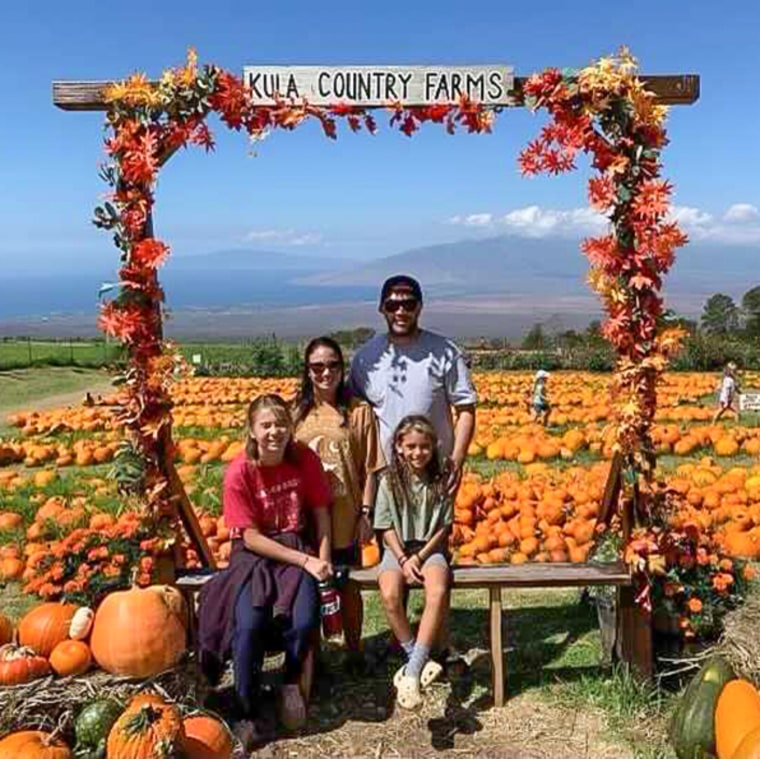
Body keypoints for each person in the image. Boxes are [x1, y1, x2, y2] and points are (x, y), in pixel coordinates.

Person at [197, 394, 333, 747]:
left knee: (304, 620)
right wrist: (306, 561)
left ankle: (289, 681)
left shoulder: (304, 458)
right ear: (253, 431)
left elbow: (321, 513)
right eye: (266, 425)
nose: (275, 432)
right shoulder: (240, 471)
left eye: (281, 424)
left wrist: (323, 558)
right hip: (254, 555)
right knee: (248, 625)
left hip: (296, 547)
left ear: (290, 427)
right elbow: (252, 538)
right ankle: (246, 711)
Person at [292, 336, 385, 667]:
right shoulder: (296, 413)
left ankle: (354, 649)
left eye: (333, 365)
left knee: (347, 586)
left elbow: (371, 469)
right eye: (317, 366)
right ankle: (313, 655)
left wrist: (365, 514)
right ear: (307, 371)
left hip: (345, 517)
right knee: (307, 588)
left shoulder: (359, 412)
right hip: (303, 520)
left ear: (342, 368)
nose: (325, 372)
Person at [350, 274, 477, 497]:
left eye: (408, 304)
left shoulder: (445, 352)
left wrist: (456, 460)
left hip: (434, 471)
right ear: (382, 308)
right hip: (384, 475)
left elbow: (465, 409)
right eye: (393, 305)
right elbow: (353, 411)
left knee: (434, 532)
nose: (400, 311)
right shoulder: (366, 358)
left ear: (419, 307)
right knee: (386, 532)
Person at [374, 415, 453, 710]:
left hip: (429, 549)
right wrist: (404, 558)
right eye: (411, 446)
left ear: (433, 448)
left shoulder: (440, 482)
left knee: (437, 591)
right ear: (399, 447)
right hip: (397, 550)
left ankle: (411, 672)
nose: (418, 452)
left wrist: (419, 557)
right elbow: (385, 527)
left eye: (424, 446)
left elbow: (442, 528)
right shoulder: (388, 482)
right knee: (390, 594)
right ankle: (415, 657)